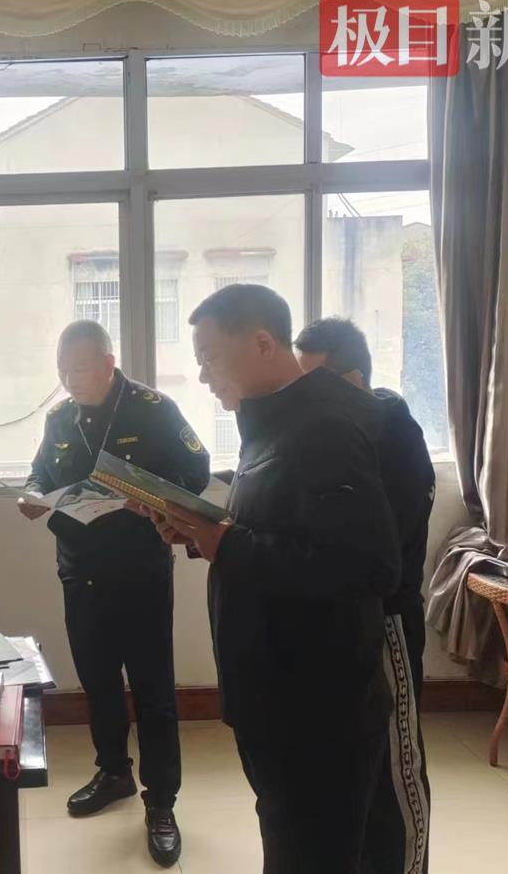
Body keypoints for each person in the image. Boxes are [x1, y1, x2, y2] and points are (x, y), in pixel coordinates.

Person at [138, 285, 401, 874]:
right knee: (288, 842)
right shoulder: (271, 423)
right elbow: (279, 529)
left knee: (309, 854)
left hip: (316, 712)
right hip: (273, 699)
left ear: (262, 343)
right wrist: (198, 532)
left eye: (209, 357)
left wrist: (227, 544)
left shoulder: (324, 428)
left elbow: (368, 565)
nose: (202, 375)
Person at [18, 320, 210, 869]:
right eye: (62, 370)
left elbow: (196, 472)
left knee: (153, 691)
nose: (70, 379)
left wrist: (144, 494)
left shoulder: (153, 410)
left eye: (79, 368)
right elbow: (39, 474)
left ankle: (162, 802)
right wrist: (32, 496)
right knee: (98, 682)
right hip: (80, 572)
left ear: (108, 363)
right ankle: (113, 773)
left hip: (140, 571)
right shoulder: (59, 418)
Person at [295, 317, 435, 874]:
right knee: (350, 771)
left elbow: (375, 554)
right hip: (340, 624)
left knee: (395, 771)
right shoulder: (339, 432)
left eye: (312, 383)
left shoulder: (394, 437)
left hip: (386, 623)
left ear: (352, 381)